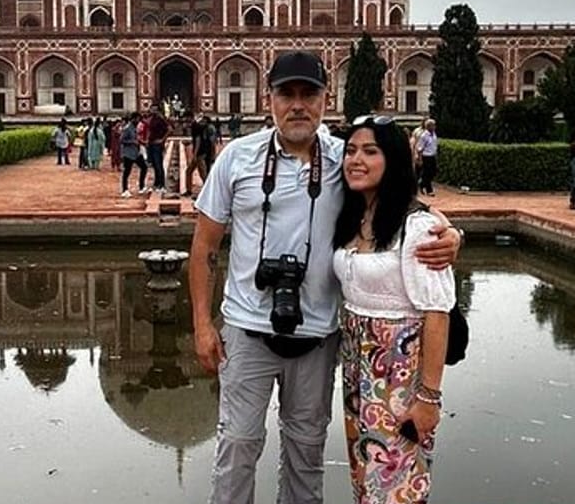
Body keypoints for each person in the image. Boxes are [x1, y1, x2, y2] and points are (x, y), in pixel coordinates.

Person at [188, 50, 461, 504]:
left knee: (307, 447)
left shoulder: (345, 158)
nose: (298, 105)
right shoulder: (237, 157)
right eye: (286, 94)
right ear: (269, 99)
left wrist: (451, 232)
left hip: (317, 334)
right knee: (237, 443)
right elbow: (203, 248)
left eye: (308, 94)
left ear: (324, 100)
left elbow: (403, 204)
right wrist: (201, 324)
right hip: (246, 329)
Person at [333, 116, 456, 503]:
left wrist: (428, 399)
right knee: (365, 478)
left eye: (371, 151)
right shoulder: (353, 215)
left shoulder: (416, 227)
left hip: (398, 376)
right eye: (351, 151)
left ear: (394, 160)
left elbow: (438, 313)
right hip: (357, 370)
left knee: (397, 481)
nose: (357, 160)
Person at [119, 112, 148, 197]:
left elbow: (136, 139)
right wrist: (132, 142)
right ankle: (125, 190)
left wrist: (142, 142)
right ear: (133, 119)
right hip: (128, 153)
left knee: (144, 167)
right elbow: (121, 140)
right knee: (127, 171)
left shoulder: (135, 128)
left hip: (136, 153)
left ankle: (141, 187)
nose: (138, 121)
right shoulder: (127, 128)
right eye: (137, 119)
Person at [146, 105, 170, 194]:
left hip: (157, 144)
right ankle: (156, 184)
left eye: (154, 109)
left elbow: (170, 129)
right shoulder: (152, 119)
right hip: (152, 143)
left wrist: (162, 140)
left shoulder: (161, 119)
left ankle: (162, 184)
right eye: (151, 109)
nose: (152, 110)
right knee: (155, 165)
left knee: (158, 164)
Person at [415, 118, 439, 196]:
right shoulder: (424, 136)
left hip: (432, 155)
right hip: (426, 156)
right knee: (427, 173)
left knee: (433, 172)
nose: (435, 127)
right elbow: (419, 148)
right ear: (428, 126)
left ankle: (422, 183)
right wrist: (420, 158)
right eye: (433, 125)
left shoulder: (434, 134)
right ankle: (429, 190)